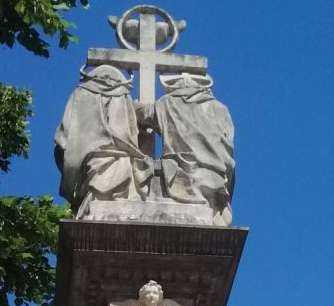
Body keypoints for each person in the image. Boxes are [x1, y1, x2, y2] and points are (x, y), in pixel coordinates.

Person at [54, 64, 150, 217]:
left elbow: (63, 137)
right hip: (117, 157)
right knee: (123, 165)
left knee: (114, 169)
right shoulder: (122, 95)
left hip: (93, 159)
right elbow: (132, 130)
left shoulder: (80, 93)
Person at [149, 73, 235, 224]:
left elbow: (143, 114)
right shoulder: (219, 108)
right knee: (213, 220)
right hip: (215, 176)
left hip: (182, 175)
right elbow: (228, 144)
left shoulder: (167, 103)